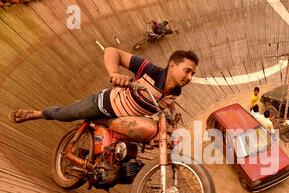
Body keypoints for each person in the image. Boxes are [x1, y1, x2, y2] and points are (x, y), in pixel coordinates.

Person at [9, 47, 199, 123]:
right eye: (187, 71)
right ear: (172, 65)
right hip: (104, 103)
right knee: (65, 115)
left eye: (193, 74)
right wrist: (115, 74)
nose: (190, 77)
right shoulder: (149, 69)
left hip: (122, 122)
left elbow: (164, 104)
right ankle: (38, 113)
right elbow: (111, 51)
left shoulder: (176, 93)